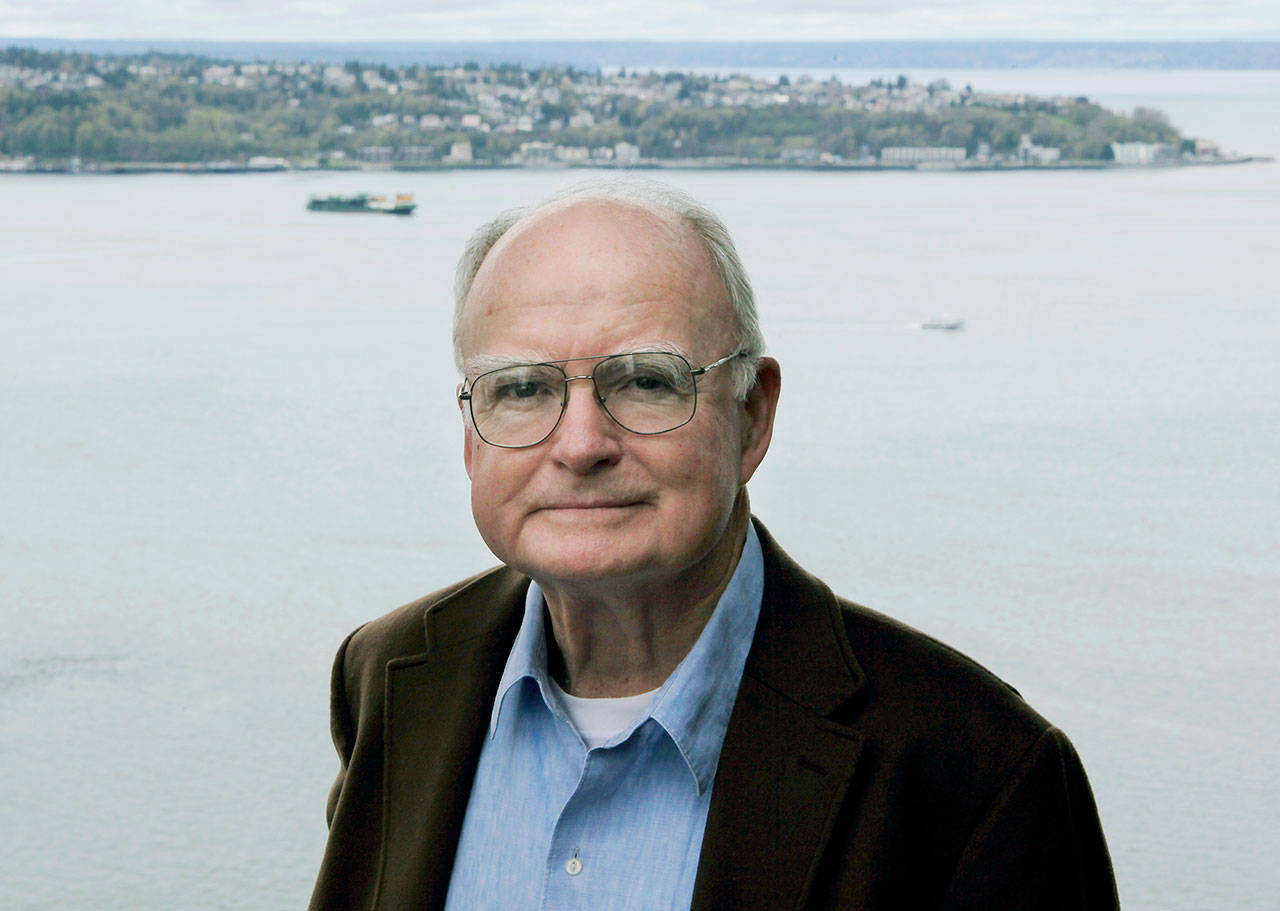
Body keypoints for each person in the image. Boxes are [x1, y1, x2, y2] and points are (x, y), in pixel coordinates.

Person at [308, 179, 1119, 911]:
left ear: (753, 416)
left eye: (646, 380)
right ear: (469, 436)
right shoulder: (391, 678)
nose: (581, 442)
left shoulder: (978, 774)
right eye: (522, 389)